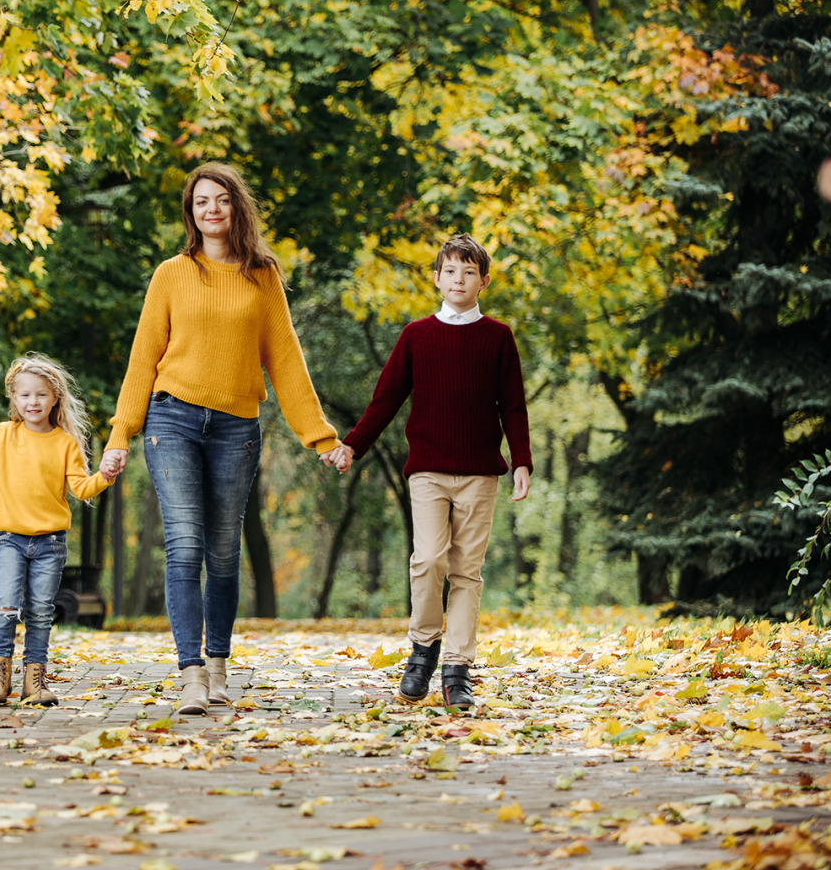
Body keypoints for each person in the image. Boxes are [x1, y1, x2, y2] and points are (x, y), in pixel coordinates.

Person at [100, 163, 342, 716]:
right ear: (191, 213)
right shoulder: (171, 273)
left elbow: (286, 361)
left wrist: (320, 437)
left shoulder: (262, 277)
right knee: (184, 545)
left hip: (236, 427)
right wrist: (121, 431)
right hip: (172, 420)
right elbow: (144, 357)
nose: (210, 209)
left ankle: (217, 665)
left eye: (221, 200)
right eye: (200, 201)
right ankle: (189, 674)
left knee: (224, 552)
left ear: (237, 207)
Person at [327, 234, 532, 709]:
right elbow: (386, 399)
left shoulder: (498, 337)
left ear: (483, 280)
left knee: (466, 572)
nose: (458, 280)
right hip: (429, 472)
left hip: (481, 473)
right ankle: (423, 650)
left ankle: (457, 670)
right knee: (428, 561)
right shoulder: (417, 336)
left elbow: (514, 407)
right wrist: (352, 446)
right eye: (450, 271)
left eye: (469, 272)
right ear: (437, 278)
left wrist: (521, 459)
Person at [0, 354, 114, 706]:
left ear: (56, 397)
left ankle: (35, 678)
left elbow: (81, 488)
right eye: (25, 395)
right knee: (5, 607)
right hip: (11, 541)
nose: (33, 402)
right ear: (14, 398)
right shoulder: (4, 435)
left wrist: (104, 476)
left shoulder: (65, 443)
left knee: (41, 610)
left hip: (50, 544)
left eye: (41, 395)